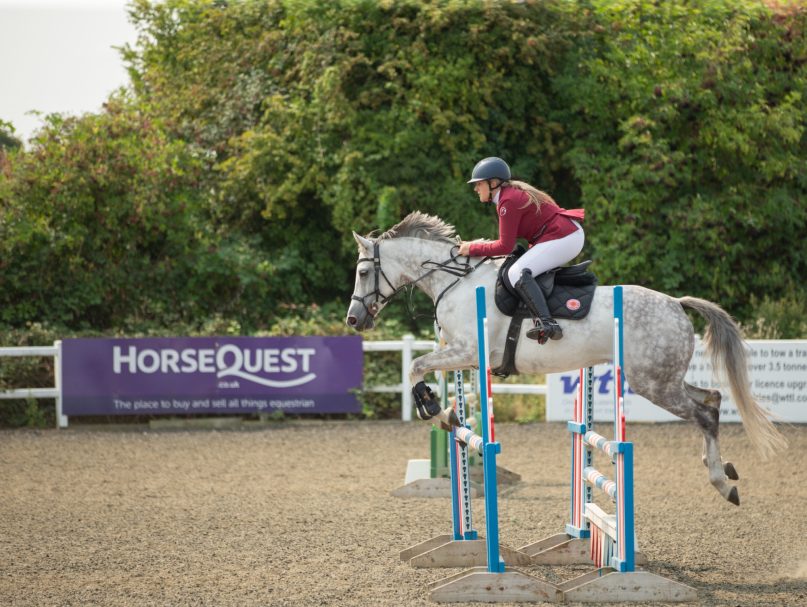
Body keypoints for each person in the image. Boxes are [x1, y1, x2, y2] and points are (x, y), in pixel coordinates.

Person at [458, 157, 584, 343]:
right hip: (564, 235)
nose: (476, 188)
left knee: (516, 273)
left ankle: (547, 323)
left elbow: (504, 246)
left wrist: (472, 248)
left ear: (493, 183)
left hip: (564, 237)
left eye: (479, 184)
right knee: (518, 268)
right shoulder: (508, 196)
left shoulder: (508, 201)